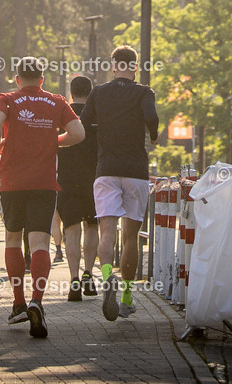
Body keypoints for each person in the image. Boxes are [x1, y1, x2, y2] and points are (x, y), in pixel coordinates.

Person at [0, 56, 84, 339]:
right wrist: (56, 140)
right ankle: (37, 300)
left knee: (13, 238)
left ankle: (17, 302)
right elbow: (78, 133)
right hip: (44, 183)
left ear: (17, 79)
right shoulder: (55, 101)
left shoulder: (7, 98)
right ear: (42, 79)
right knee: (40, 241)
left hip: (13, 182)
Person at [80, 45, 159, 321]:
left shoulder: (98, 92)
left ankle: (105, 278)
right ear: (135, 67)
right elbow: (151, 117)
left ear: (113, 66)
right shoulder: (143, 92)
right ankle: (126, 296)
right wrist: (154, 133)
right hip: (135, 170)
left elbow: (82, 122)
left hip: (106, 170)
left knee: (107, 232)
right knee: (131, 237)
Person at [57, 75, 100, 301]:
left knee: (71, 229)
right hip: (94, 179)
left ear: (70, 93)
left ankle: (73, 279)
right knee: (92, 226)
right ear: (90, 93)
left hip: (66, 179)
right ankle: (89, 274)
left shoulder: (62, 115)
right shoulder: (98, 116)